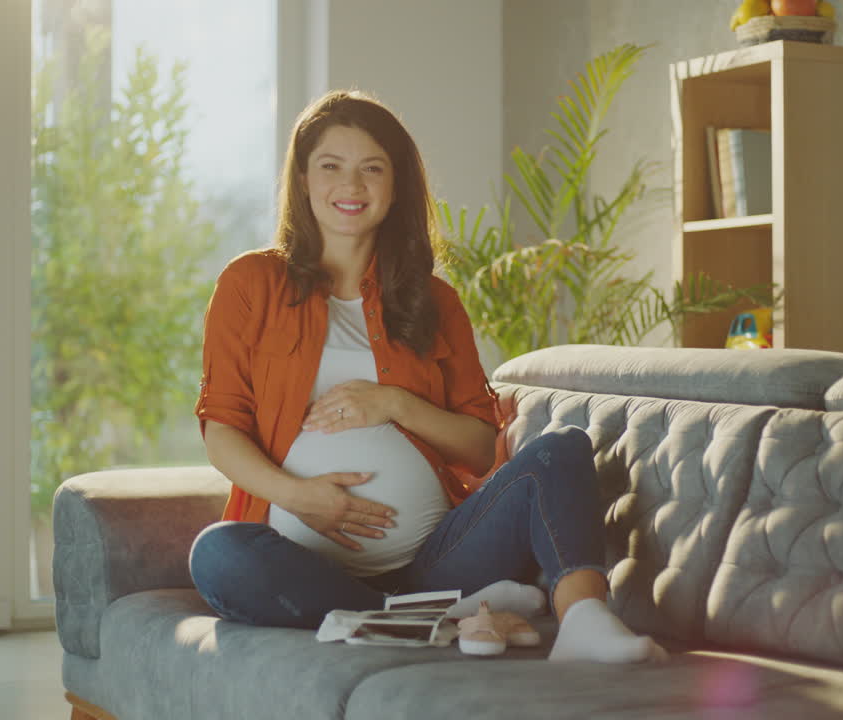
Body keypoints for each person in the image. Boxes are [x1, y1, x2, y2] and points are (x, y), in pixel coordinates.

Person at [188, 90, 663, 663]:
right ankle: (416, 616)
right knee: (218, 555)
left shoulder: (433, 301)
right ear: (304, 180)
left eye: (372, 168)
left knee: (560, 450)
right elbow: (222, 427)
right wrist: (301, 497)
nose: (351, 185)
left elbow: (480, 444)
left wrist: (395, 403)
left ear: (396, 185)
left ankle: (585, 619)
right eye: (331, 166)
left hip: (438, 559)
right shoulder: (251, 284)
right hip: (303, 560)